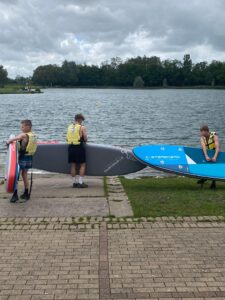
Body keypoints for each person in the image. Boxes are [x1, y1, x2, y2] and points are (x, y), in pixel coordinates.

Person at [7, 120, 37, 202]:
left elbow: (13, 139)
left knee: (16, 175)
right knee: (24, 174)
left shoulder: (23, 135)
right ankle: (26, 193)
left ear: (28, 127)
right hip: (29, 156)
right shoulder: (33, 135)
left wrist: (8, 141)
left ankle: (15, 194)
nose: (21, 128)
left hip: (23, 157)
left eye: (22, 127)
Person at [66, 114, 88, 188]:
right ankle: (80, 183)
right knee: (83, 165)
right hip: (79, 147)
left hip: (71, 147)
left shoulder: (70, 127)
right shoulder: (82, 127)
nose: (82, 122)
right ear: (80, 119)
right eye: (82, 120)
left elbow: (67, 138)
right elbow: (85, 138)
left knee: (73, 165)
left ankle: (75, 182)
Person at [198, 125, 220, 189]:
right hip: (207, 152)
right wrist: (206, 156)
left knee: (214, 167)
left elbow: (217, 147)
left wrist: (215, 157)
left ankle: (213, 183)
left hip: (214, 152)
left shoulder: (214, 136)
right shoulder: (202, 138)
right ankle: (204, 178)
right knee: (204, 165)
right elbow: (203, 147)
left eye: (202, 132)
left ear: (206, 131)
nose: (201, 134)